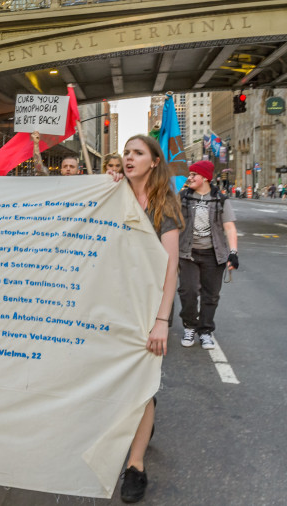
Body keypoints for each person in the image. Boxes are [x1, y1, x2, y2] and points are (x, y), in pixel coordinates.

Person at [109, 134, 183, 503]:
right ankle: (146, 414)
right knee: (124, 384)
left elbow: (170, 269)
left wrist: (161, 320)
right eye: (125, 152)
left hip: (148, 309)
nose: (128, 158)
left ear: (154, 161)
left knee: (140, 389)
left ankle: (135, 465)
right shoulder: (113, 195)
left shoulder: (163, 207)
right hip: (114, 306)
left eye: (137, 153)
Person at [178, 160, 238, 350]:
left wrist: (233, 252)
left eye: (194, 174)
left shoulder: (220, 199)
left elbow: (229, 226)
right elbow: (170, 219)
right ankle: (189, 326)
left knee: (210, 296)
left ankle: (205, 331)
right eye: (189, 174)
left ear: (205, 177)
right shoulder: (183, 197)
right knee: (188, 292)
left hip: (213, 254)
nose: (190, 177)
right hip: (187, 253)